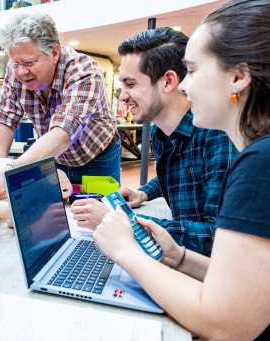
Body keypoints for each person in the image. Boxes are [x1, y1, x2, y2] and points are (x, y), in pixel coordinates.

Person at [94, 1, 270, 339]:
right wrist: (180, 257)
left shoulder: (259, 164)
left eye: (194, 70)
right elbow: (244, 278)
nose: (186, 87)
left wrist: (126, 250)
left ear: (238, 77)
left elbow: (224, 325)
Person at [70, 28, 237, 256]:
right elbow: (180, 174)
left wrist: (118, 220)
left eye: (131, 84)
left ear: (168, 81)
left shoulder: (217, 135)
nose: (123, 96)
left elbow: (215, 238)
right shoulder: (161, 132)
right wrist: (145, 192)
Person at [0, 12, 119, 199]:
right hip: (53, 157)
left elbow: (64, 133)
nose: (21, 72)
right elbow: (5, 118)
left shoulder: (83, 71)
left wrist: (10, 172)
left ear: (54, 52)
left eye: (29, 63)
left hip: (97, 158)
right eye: (16, 63)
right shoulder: (15, 70)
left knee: (99, 213)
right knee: (53, 213)